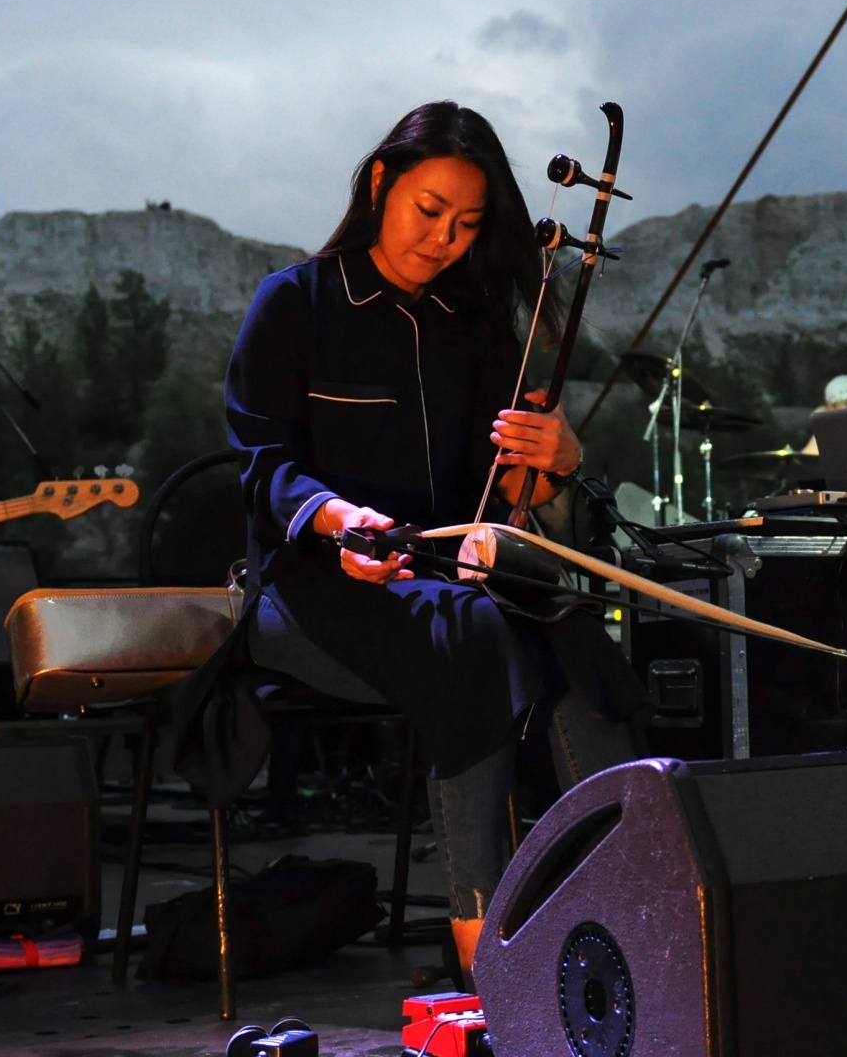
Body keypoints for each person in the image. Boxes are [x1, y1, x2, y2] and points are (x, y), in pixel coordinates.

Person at [225, 101, 645, 980]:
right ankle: (484, 948)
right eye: (429, 212)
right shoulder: (296, 303)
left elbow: (508, 492)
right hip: (309, 589)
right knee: (479, 636)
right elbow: (263, 463)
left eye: (467, 224)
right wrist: (341, 519)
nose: (445, 240)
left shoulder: (478, 326)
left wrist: (556, 461)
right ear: (382, 182)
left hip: (445, 582)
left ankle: (620, 897)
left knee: (570, 633)